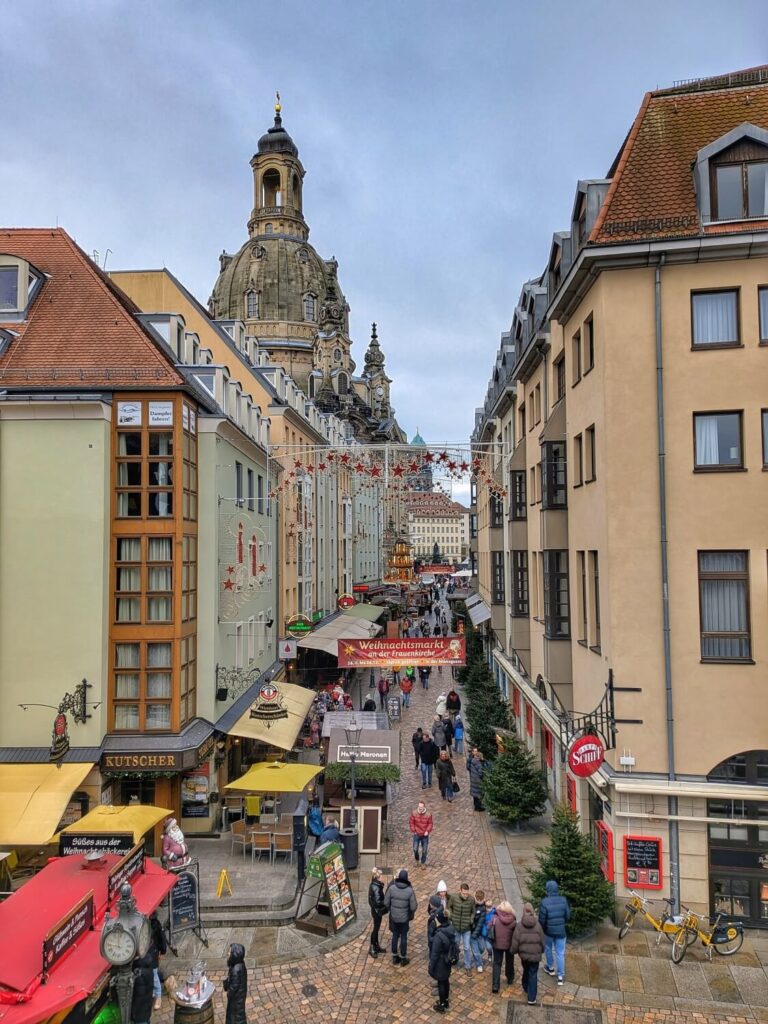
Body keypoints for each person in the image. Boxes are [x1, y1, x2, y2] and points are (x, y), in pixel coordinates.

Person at [511, 902, 547, 1005]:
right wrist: (542, 950)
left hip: (524, 956)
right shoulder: (538, 925)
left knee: (526, 970)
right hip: (535, 956)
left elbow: (515, 942)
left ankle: (526, 986)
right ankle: (532, 998)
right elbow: (542, 941)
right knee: (533, 973)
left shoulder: (519, 926)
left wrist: (513, 951)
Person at [539, 880, 571, 985]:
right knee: (560, 953)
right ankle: (560, 976)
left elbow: (542, 920)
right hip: (561, 931)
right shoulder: (563, 900)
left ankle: (550, 968)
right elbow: (567, 916)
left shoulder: (544, 902)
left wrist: (543, 930)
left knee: (548, 948)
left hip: (548, 932)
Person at [384, 869, 417, 965]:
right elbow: (414, 906)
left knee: (394, 935)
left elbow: (386, 903)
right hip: (404, 919)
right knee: (403, 937)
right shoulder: (410, 890)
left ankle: (394, 956)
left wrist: (392, 909)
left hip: (394, 917)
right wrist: (408, 912)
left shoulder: (392, 888)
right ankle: (403, 958)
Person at [429, 910, 457, 1014]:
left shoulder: (438, 936)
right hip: (447, 960)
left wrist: (431, 966)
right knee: (446, 980)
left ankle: (441, 1005)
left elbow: (434, 954)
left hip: (441, 962)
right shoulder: (450, 928)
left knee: (441, 982)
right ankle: (445, 1000)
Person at [446, 883, 476, 972]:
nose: (466, 895)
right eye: (464, 893)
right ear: (460, 891)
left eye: (467, 893)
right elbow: (449, 907)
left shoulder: (471, 900)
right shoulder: (454, 897)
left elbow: (473, 912)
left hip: (466, 928)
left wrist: (471, 920)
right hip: (456, 926)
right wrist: (451, 916)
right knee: (456, 945)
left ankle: (467, 966)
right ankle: (455, 959)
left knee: (467, 948)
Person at [490, 900, 517, 993]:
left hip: (497, 944)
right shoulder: (513, 920)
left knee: (497, 964)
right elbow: (515, 933)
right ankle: (510, 978)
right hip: (509, 945)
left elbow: (488, 928)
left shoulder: (495, 918)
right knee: (509, 961)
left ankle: (495, 986)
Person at [223, 942, 248, 1024]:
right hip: (239, 999)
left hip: (236, 1001)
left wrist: (228, 992)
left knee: (235, 1018)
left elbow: (234, 986)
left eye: (230, 952)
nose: (228, 953)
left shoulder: (235, 970)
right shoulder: (240, 965)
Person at [148, 911, 167, 1010]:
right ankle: (153, 992)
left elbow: (162, 939)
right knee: (150, 974)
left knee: (154, 975)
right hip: (145, 953)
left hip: (153, 952)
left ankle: (158, 996)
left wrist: (162, 951)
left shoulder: (156, 925)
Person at [469, 890, 492, 972]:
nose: (479, 901)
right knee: (475, 951)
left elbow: (480, 923)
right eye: (477, 899)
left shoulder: (483, 908)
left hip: (479, 933)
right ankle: (479, 964)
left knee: (482, 949)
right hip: (471, 932)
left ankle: (477, 956)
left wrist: (475, 933)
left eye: (480, 900)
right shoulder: (472, 904)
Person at [130, 953, 155, 1024]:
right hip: (146, 1009)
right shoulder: (146, 963)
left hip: (139, 1013)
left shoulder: (137, 973)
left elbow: (137, 997)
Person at [368, 867, 387, 957]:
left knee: (377, 928)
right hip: (377, 912)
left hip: (376, 911)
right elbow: (378, 902)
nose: (383, 878)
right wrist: (386, 901)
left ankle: (376, 946)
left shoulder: (376, 885)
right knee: (375, 929)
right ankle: (372, 947)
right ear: (378, 877)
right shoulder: (376, 887)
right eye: (382, 876)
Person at [409, 800, 433, 866]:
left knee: (424, 850)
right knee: (415, 849)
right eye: (419, 806)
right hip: (416, 834)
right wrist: (414, 830)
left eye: (421, 807)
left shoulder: (428, 814)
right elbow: (411, 822)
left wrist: (427, 831)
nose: (420, 808)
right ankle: (417, 860)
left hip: (424, 835)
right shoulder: (414, 813)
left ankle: (423, 863)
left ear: (424, 807)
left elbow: (430, 824)